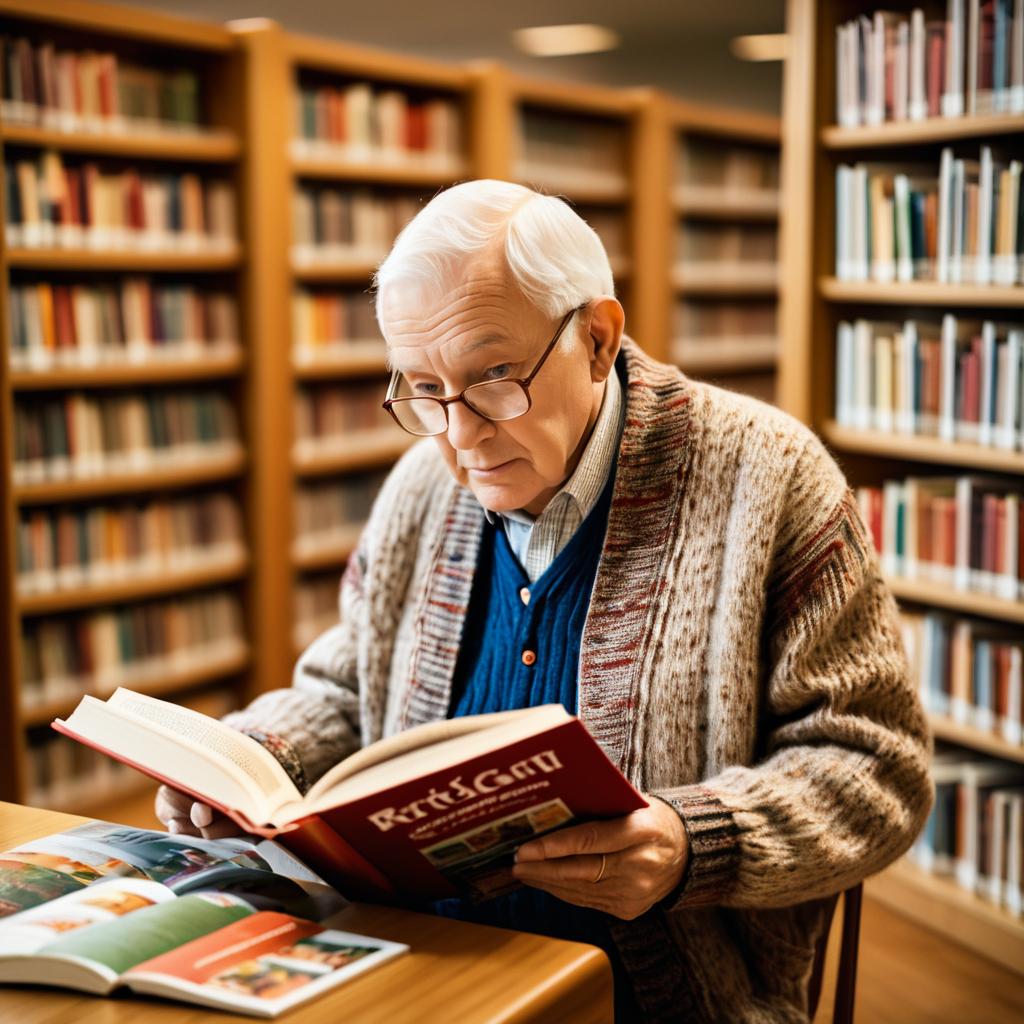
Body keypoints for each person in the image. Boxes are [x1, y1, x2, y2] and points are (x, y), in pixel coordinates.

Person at [157, 179, 933, 1022]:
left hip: (657, 995)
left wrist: (690, 847)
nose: (460, 435)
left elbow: (877, 768)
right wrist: (255, 760)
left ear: (598, 339)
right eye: (421, 388)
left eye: (493, 377)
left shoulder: (768, 479)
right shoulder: (422, 485)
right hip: (409, 966)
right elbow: (349, 689)